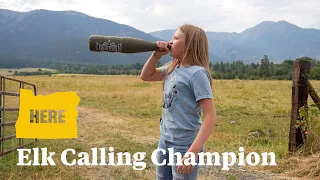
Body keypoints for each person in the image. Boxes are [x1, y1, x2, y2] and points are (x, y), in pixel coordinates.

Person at [140, 24, 216, 180]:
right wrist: (156, 55)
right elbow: (146, 76)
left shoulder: (197, 73)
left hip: (184, 145)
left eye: (175, 38)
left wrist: (192, 152)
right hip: (165, 140)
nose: (170, 42)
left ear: (189, 44)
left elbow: (210, 116)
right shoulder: (172, 67)